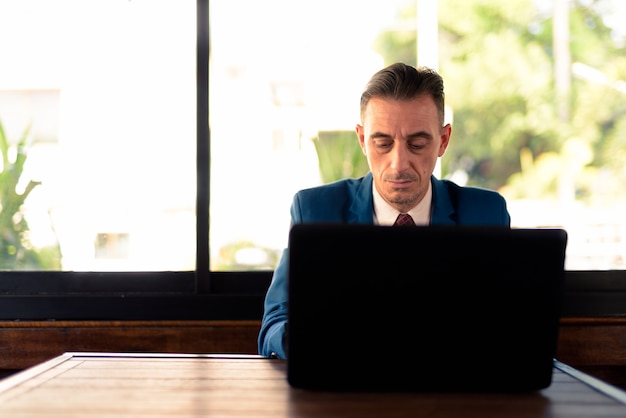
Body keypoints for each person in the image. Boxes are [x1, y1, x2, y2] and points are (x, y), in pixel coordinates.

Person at [258, 62, 511, 359]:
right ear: (363, 140)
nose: (399, 164)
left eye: (416, 144)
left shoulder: (486, 213)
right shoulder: (314, 211)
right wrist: (309, 343)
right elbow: (274, 324)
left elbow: (509, 319)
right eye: (382, 143)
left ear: (443, 141)